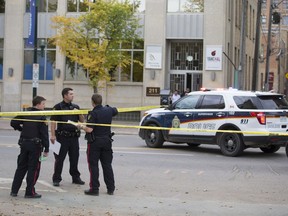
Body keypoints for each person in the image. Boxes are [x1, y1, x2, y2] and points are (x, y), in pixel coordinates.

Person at [78, 93, 118, 196]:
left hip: (95, 143)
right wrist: (108, 107)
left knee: (93, 166)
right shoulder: (108, 110)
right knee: (107, 165)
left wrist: (81, 126)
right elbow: (115, 110)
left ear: (92, 102)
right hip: (107, 142)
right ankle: (111, 188)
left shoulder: (93, 113)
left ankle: (94, 189)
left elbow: (90, 129)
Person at [10, 96, 49, 198]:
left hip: (24, 144)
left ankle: (14, 191)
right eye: (43, 104)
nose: (44, 106)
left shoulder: (26, 112)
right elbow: (44, 134)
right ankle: (29, 192)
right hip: (35, 146)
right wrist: (47, 148)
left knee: (21, 167)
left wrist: (21, 129)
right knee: (33, 169)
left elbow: (13, 122)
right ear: (38, 104)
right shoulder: (41, 116)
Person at [50, 88, 85, 186]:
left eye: (73, 94)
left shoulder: (75, 106)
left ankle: (75, 177)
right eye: (71, 94)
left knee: (74, 158)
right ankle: (56, 178)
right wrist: (52, 135)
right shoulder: (58, 107)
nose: (73, 96)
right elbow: (53, 122)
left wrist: (79, 112)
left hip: (74, 137)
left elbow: (82, 121)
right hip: (62, 137)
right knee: (59, 159)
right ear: (65, 95)